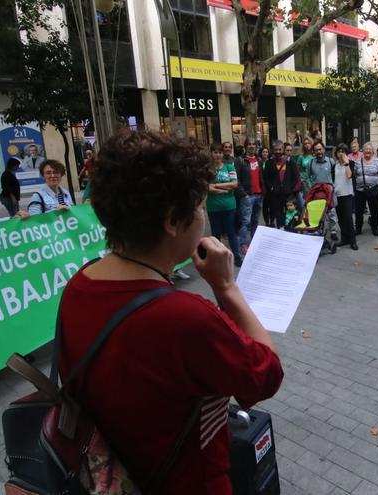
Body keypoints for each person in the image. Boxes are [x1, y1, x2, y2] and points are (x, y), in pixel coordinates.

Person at [61, 129, 283, 494]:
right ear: (172, 221)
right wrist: (226, 287)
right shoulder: (184, 317)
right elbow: (266, 376)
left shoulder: (78, 285)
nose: (203, 217)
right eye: (199, 207)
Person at [205, 143, 242, 265]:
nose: (218, 155)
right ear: (211, 153)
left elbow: (234, 184)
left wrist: (216, 185)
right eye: (215, 152)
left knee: (231, 233)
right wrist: (225, 190)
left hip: (229, 206)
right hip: (213, 207)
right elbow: (207, 188)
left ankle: (237, 256)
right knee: (216, 235)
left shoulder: (229, 167)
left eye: (220, 152)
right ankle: (218, 258)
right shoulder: (208, 169)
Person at [354, 142, 378, 236]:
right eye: (366, 149)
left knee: (374, 210)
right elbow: (355, 174)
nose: (368, 151)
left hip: (373, 190)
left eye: (369, 149)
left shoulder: (377, 161)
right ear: (362, 151)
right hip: (360, 190)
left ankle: (375, 228)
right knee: (359, 211)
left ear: (372, 151)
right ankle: (358, 228)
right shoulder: (358, 162)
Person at [238, 139, 264, 245]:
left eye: (254, 144)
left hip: (259, 194)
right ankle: (243, 244)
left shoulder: (259, 159)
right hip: (247, 196)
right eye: (249, 144)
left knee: (255, 220)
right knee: (246, 221)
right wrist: (244, 194)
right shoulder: (240, 160)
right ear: (245, 146)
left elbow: (261, 177)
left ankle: (254, 242)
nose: (252, 146)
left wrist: (263, 192)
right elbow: (237, 179)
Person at [332, 144, 357, 250]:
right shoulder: (335, 165)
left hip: (347, 194)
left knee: (348, 218)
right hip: (337, 194)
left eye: (343, 151)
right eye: (339, 151)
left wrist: (346, 163)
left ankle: (352, 240)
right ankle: (344, 238)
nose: (341, 153)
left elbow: (349, 175)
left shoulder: (350, 163)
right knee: (341, 219)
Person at [295, 137, 315, 213]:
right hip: (304, 182)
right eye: (305, 143)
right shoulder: (301, 157)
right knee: (306, 201)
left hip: (314, 181)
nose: (307, 145)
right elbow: (297, 170)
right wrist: (300, 179)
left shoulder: (315, 155)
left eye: (308, 143)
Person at [258, 146, 273, 227]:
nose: (265, 153)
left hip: (270, 186)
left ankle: (272, 221)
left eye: (266, 152)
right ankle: (267, 222)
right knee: (265, 205)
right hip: (262, 186)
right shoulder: (258, 162)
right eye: (263, 152)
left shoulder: (271, 162)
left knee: (272, 205)